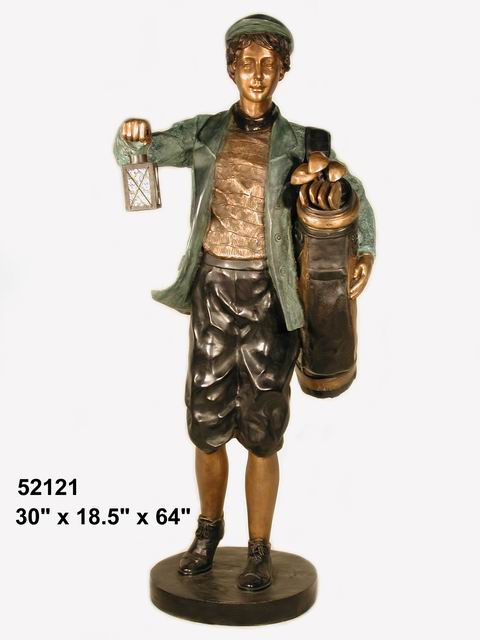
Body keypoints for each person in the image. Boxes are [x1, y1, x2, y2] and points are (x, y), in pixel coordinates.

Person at [114, 14, 375, 591]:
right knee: (205, 423)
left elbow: (354, 196)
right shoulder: (205, 132)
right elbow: (141, 153)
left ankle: (259, 548)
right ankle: (208, 532)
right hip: (213, 290)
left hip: (271, 296)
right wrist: (130, 135)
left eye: (268, 64)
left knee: (264, 428)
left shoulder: (305, 143)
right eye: (247, 63)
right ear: (231, 69)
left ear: (283, 71)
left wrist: (363, 251)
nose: (257, 74)